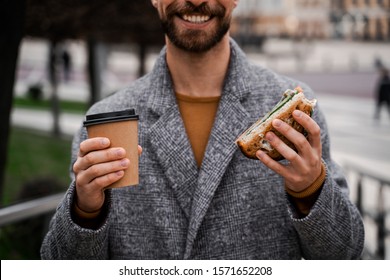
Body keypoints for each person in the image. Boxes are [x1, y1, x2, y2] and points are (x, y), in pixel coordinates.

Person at [41, 0, 364, 259]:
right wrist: (85, 210)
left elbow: (345, 253)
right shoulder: (107, 121)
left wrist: (311, 191)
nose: (196, 1)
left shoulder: (297, 115)